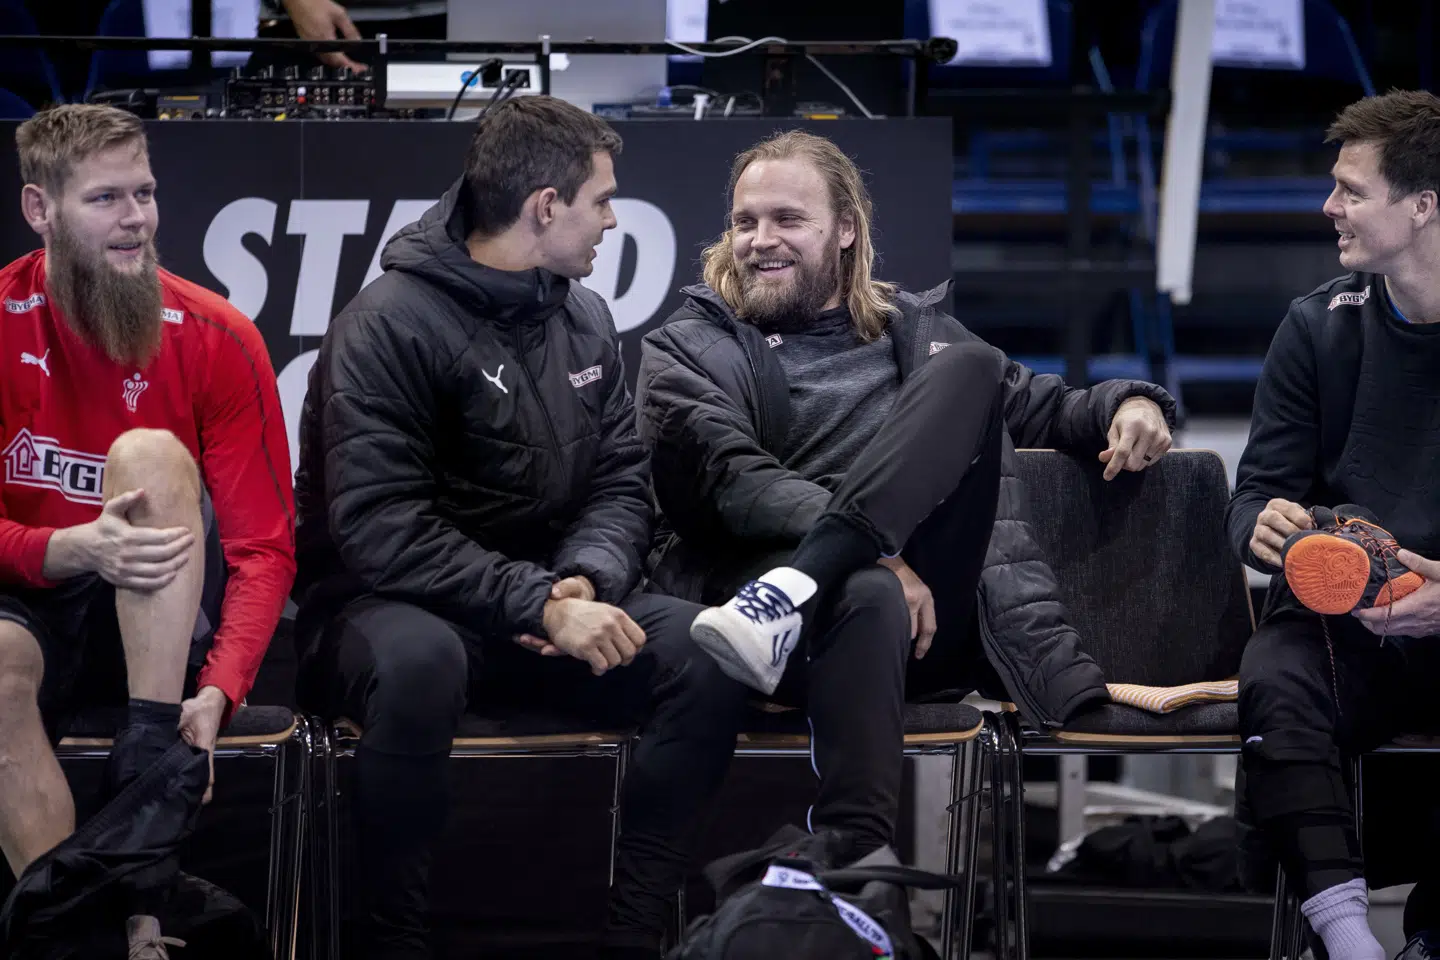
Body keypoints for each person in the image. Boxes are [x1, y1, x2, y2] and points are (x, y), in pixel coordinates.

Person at [635, 129, 1177, 863]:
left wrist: (1130, 403)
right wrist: (878, 555)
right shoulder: (688, 347)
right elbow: (733, 481)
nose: (761, 240)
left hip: (931, 626)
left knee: (971, 368)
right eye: (744, 221)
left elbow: (1041, 405)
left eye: (788, 220)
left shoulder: (915, 334)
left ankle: (812, 578)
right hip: (775, 628)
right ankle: (852, 856)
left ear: (847, 228)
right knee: (870, 591)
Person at [292, 95, 748, 960]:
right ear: (545, 206)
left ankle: (634, 935)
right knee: (420, 663)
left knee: (707, 649)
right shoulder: (385, 323)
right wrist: (538, 603)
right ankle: (393, 942)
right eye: (601, 200)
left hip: (548, 605)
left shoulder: (584, 316)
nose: (612, 220)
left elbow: (621, 482)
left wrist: (586, 581)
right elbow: (381, 529)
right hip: (388, 606)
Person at [0, 104, 294, 956]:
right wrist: (66, 548)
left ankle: (151, 743)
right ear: (39, 209)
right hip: (33, 597)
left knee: (151, 457)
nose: (135, 218)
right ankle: (108, 928)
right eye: (105, 199)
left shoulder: (217, 336)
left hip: (162, 626)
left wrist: (221, 688)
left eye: (146, 192)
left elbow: (263, 550)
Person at [1229, 88, 1440, 960]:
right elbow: (1253, 495)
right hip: (1346, 628)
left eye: (1352, 190)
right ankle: (1347, 940)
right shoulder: (1316, 324)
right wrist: (1263, 530)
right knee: (1274, 674)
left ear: (1423, 206)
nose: (1329, 208)